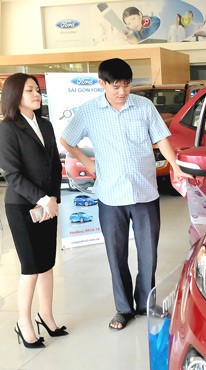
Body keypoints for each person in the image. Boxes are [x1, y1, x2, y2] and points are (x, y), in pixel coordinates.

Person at [60, 58, 187, 331]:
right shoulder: (89, 111)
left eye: (126, 85)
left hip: (144, 192)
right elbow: (66, 139)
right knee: (116, 255)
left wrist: (175, 166)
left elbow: (162, 140)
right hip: (110, 195)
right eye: (116, 86)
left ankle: (145, 304)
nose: (122, 91)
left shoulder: (144, 107)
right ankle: (123, 309)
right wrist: (87, 162)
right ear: (102, 84)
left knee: (148, 254)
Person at [0, 73, 67, 348]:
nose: (37, 94)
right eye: (30, 90)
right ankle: (23, 323)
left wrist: (53, 198)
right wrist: (42, 199)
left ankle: (46, 316)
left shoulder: (46, 124)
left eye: (37, 90)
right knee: (30, 267)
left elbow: (54, 165)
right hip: (21, 205)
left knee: (47, 264)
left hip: (46, 203)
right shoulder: (7, 128)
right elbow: (12, 174)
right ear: (15, 95)